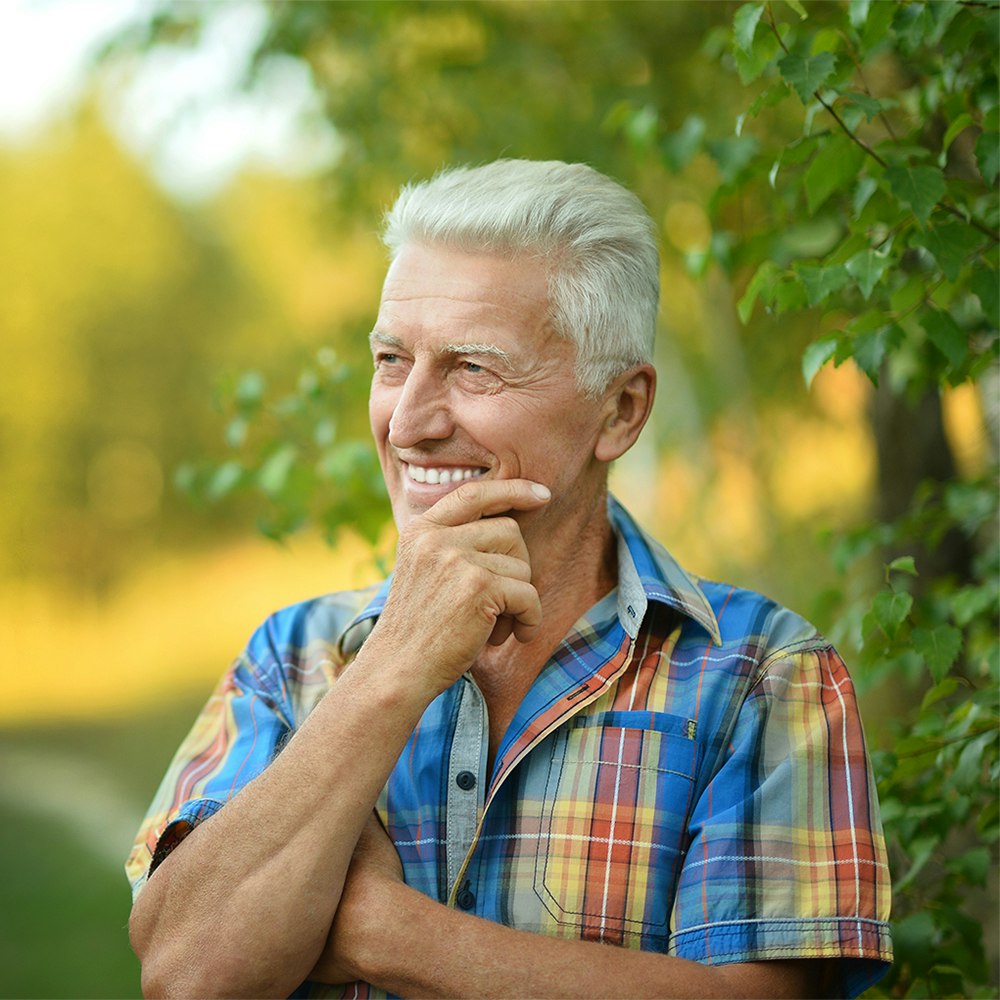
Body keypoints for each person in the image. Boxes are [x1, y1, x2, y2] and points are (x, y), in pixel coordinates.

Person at [126, 159, 892, 999]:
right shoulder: (293, 657)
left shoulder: (762, 676)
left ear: (621, 409)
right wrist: (391, 670)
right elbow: (184, 977)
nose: (409, 424)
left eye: (472, 369)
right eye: (391, 360)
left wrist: (384, 931)